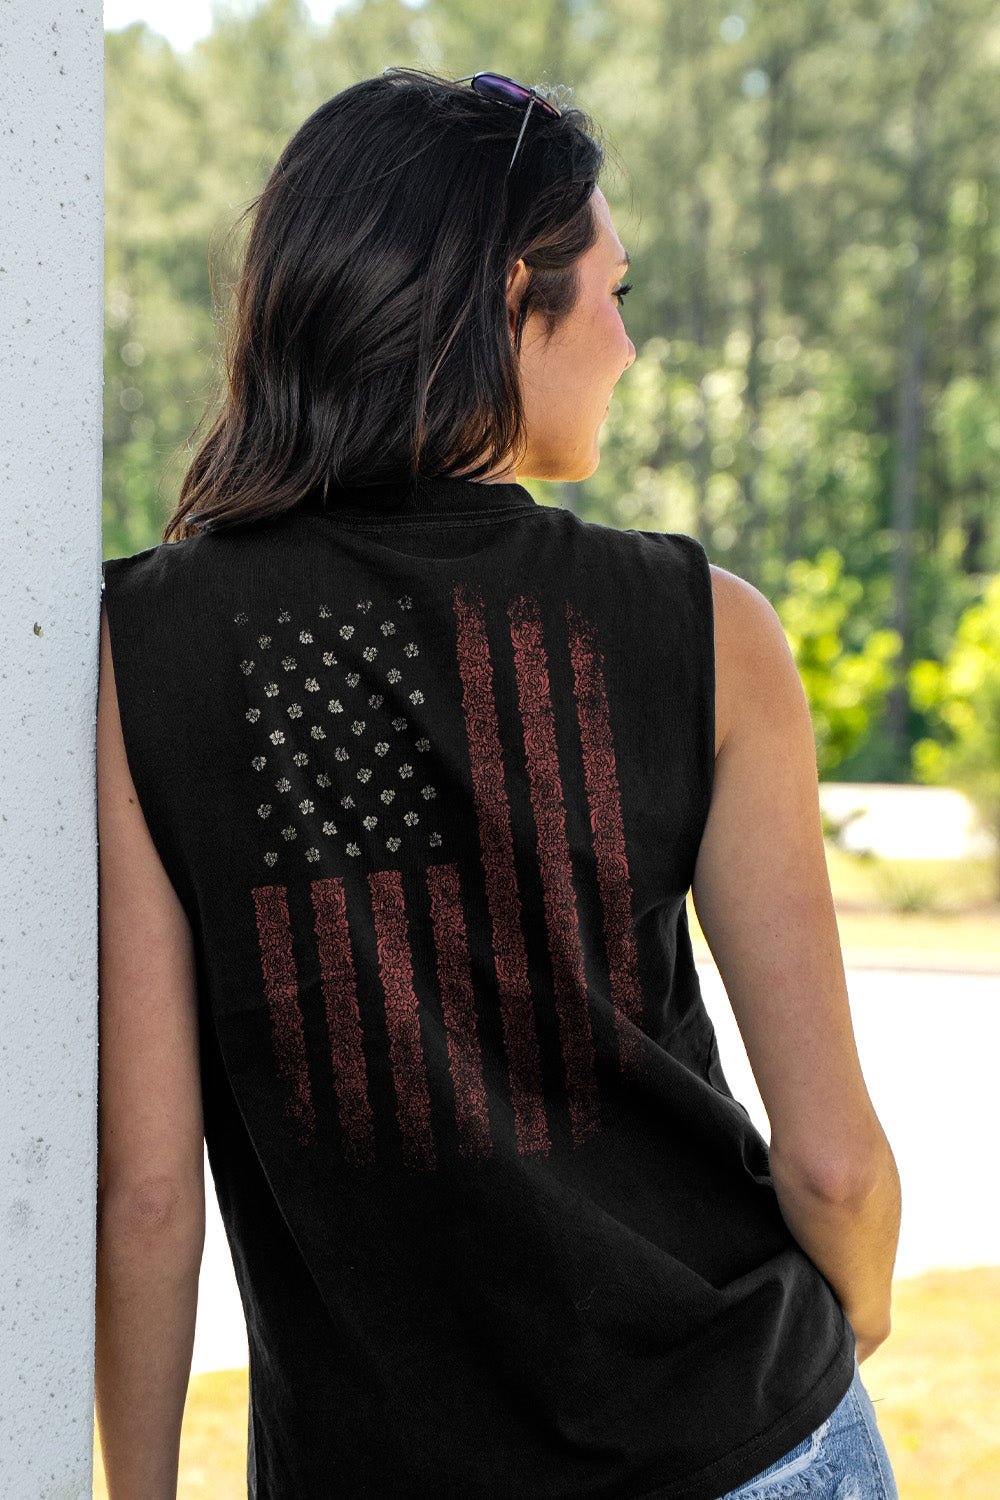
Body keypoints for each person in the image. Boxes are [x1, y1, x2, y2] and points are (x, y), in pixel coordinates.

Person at [95, 66, 902, 1499]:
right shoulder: (709, 632)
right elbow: (836, 1168)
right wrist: (852, 1323)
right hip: (745, 1437)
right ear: (510, 301)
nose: (628, 346)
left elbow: (149, 1196)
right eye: (614, 293)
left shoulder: (136, 649)